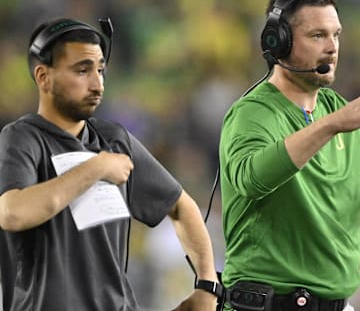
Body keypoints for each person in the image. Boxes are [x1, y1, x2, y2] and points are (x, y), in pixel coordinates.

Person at [0, 17, 221, 311]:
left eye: (100, 70)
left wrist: (207, 285)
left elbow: (181, 206)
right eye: (82, 70)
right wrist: (96, 168)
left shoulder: (114, 139)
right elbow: (13, 213)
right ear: (43, 77)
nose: (97, 84)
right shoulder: (22, 138)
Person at [218, 0, 360, 311]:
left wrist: (333, 121)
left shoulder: (337, 111)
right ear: (278, 41)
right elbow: (251, 180)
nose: (332, 47)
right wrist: (330, 125)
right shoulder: (253, 113)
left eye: (336, 34)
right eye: (317, 35)